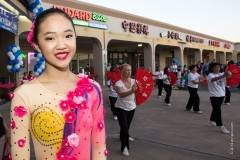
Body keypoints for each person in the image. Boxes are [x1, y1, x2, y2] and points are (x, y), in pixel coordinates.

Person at [10, 8, 107, 160]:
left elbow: (99, 150)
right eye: (50, 38)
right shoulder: (23, 95)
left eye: (68, 35)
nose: (61, 45)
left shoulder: (93, 89)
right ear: (36, 45)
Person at [115, 64, 137, 156]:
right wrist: (131, 91)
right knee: (124, 127)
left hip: (132, 107)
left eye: (130, 70)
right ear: (122, 72)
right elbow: (121, 94)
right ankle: (125, 147)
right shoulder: (118, 83)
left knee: (127, 126)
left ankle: (124, 136)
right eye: (127, 70)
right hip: (121, 108)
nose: (129, 72)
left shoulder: (134, 82)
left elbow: (142, 88)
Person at [207, 63, 231, 134]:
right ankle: (220, 126)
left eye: (219, 67)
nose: (218, 68)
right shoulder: (210, 75)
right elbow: (213, 79)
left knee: (216, 109)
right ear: (212, 68)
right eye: (216, 67)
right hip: (214, 95)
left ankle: (211, 121)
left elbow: (228, 76)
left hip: (221, 94)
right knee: (218, 110)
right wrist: (223, 75)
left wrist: (228, 73)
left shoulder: (222, 74)